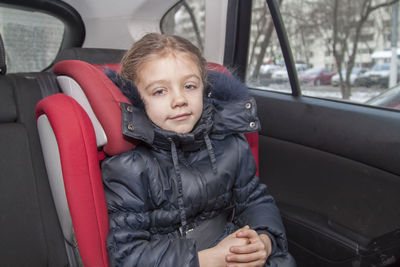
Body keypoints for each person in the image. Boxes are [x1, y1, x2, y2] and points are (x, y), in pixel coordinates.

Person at [102, 33, 291, 267]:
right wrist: (207, 260)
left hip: (231, 247)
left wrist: (263, 240)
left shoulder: (231, 143)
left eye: (189, 86)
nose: (179, 99)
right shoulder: (129, 167)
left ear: (204, 88)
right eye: (160, 91)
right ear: (136, 100)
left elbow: (254, 199)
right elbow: (127, 254)